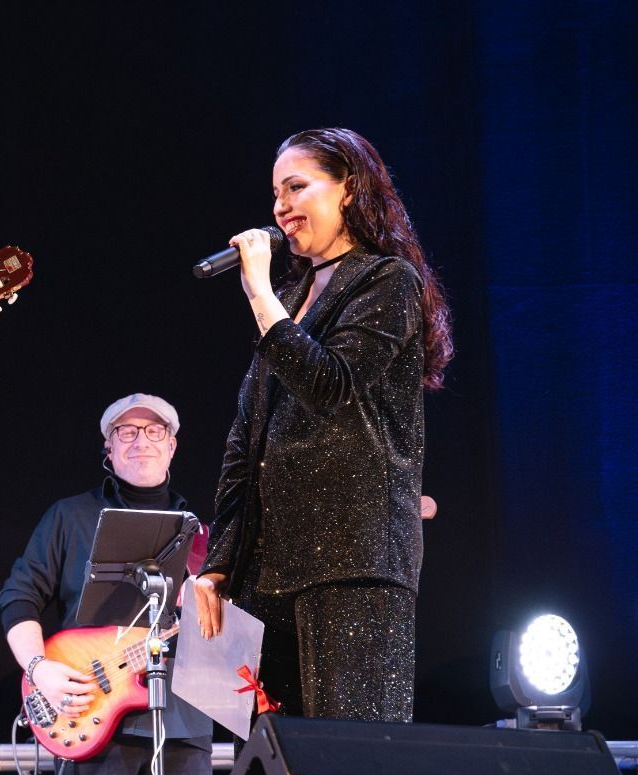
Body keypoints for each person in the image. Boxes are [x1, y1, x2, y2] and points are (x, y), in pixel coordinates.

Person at [194, 127, 453, 722]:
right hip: (267, 569)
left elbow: (330, 385)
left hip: (351, 562)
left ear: (349, 189)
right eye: (275, 193)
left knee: (349, 766)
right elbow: (245, 442)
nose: (281, 207)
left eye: (297, 186)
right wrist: (218, 563)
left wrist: (259, 294)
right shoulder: (293, 298)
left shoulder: (386, 281)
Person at [0, 393, 215, 775]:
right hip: (91, 714)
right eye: (127, 432)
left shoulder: (203, 536)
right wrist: (39, 668)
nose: (141, 441)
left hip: (180, 722)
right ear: (108, 450)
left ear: (173, 447)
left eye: (154, 431)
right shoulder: (69, 517)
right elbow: (17, 598)